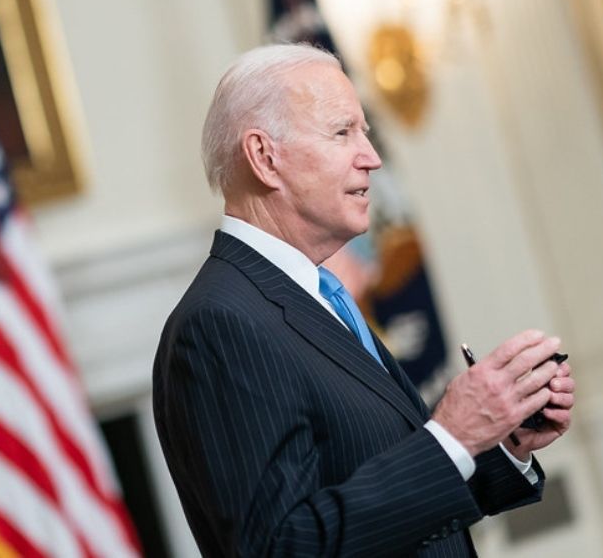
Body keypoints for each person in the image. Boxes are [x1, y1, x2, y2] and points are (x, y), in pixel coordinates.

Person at [152, 44, 576, 557]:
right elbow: (281, 549)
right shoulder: (219, 324)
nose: (372, 159)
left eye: (366, 134)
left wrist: (497, 439)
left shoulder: (319, 294)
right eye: (342, 132)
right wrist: (452, 434)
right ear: (265, 158)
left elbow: (392, 492)